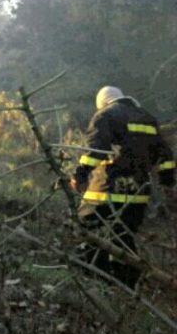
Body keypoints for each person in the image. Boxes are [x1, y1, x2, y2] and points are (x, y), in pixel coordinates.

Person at [72, 85, 175, 287]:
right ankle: (126, 284)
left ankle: (93, 279)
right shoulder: (148, 118)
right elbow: (165, 156)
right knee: (123, 236)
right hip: (138, 194)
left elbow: (96, 150)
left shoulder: (105, 115)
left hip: (106, 190)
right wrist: (168, 182)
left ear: (102, 103)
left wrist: (80, 174)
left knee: (88, 227)